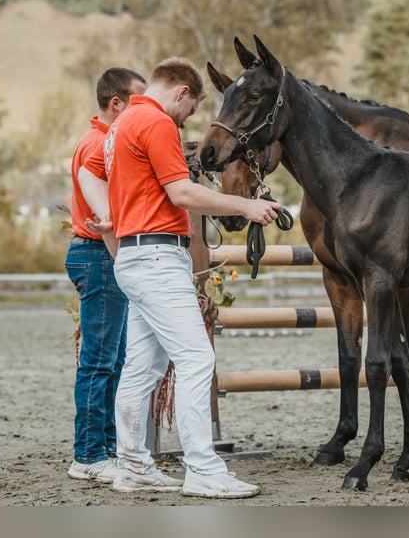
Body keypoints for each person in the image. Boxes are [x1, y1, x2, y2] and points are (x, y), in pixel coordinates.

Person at [100, 57, 281, 498]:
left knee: (144, 367)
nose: (187, 122)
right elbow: (180, 192)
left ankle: (133, 463)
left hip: (136, 256)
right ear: (182, 92)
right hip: (159, 257)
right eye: (192, 110)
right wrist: (246, 206)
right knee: (197, 360)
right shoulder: (157, 122)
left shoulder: (120, 127)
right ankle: (202, 468)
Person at [65, 67, 147, 483]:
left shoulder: (100, 141)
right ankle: (89, 454)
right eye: (137, 102)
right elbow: (106, 214)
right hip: (99, 255)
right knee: (100, 361)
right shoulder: (99, 146)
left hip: (96, 255)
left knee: (111, 359)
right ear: (117, 104)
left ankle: (104, 447)